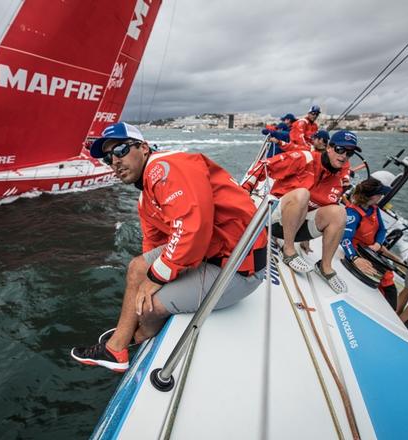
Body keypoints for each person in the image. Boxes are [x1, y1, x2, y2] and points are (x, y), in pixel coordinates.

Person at [71, 122, 267, 372]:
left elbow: (192, 229)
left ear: (143, 147)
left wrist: (154, 280)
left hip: (238, 267)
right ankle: (118, 344)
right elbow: (154, 244)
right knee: (136, 268)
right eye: (109, 159)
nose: (115, 162)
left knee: (149, 307)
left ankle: (139, 336)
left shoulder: (163, 167)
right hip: (212, 255)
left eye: (120, 150)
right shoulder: (145, 198)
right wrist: (146, 276)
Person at [242, 130, 361, 293]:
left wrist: (307, 239)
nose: (344, 155)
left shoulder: (340, 180)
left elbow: (321, 208)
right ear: (329, 148)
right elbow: (264, 165)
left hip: (298, 227)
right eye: (340, 149)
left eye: (350, 152)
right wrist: (244, 192)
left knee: (339, 211)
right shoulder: (305, 158)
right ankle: (289, 251)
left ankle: (325, 267)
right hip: (274, 219)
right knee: (303, 193)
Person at [341, 177, 399, 308]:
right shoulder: (353, 213)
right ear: (372, 197)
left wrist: (378, 244)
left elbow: (382, 230)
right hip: (359, 252)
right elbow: (345, 240)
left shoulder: (374, 209)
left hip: (372, 250)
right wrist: (354, 258)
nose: (381, 196)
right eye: (380, 194)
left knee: (389, 283)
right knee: (384, 283)